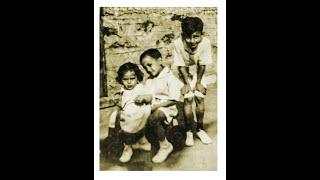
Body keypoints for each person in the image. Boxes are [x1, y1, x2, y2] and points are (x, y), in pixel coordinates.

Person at [173, 17, 213, 146]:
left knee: (200, 96)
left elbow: (202, 65)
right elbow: (181, 65)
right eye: (188, 37)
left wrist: (198, 82)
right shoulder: (177, 43)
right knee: (188, 98)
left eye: (196, 37)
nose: (192, 41)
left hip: (197, 72)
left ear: (202, 34)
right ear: (183, 35)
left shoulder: (206, 43)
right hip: (183, 72)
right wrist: (186, 84)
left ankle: (200, 129)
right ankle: (189, 130)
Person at [140, 49, 183, 163]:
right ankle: (140, 140)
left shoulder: (170, 78)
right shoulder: (149, 80)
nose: (148, 69)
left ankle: (165, 146)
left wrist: (155, 106)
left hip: (167, 108)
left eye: (150, 65)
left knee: (154, 116)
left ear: (159, 60)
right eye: (145, 68)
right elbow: (147, 95)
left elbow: (174, 99)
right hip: (153, 106)